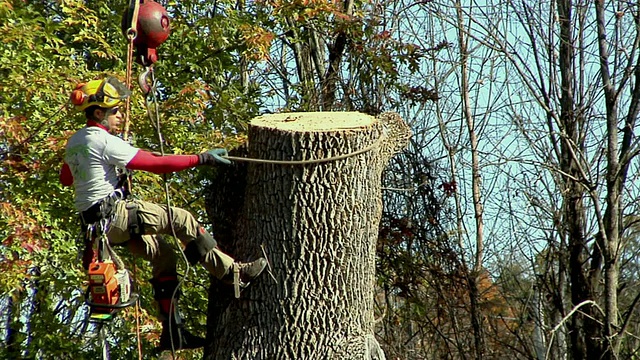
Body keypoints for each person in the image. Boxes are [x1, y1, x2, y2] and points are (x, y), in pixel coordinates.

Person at [60, 76, 266, 350]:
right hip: (115, 216)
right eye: (114, 112)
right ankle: (233, 273)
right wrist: (201, 158)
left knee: (164, 254)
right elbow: (156, 165)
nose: (120, 116)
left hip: (98, 231)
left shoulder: (76, 141)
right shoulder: (103, 141)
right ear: (99, 113)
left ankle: (172, 333)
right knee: (181, 219)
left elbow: (66, 178)